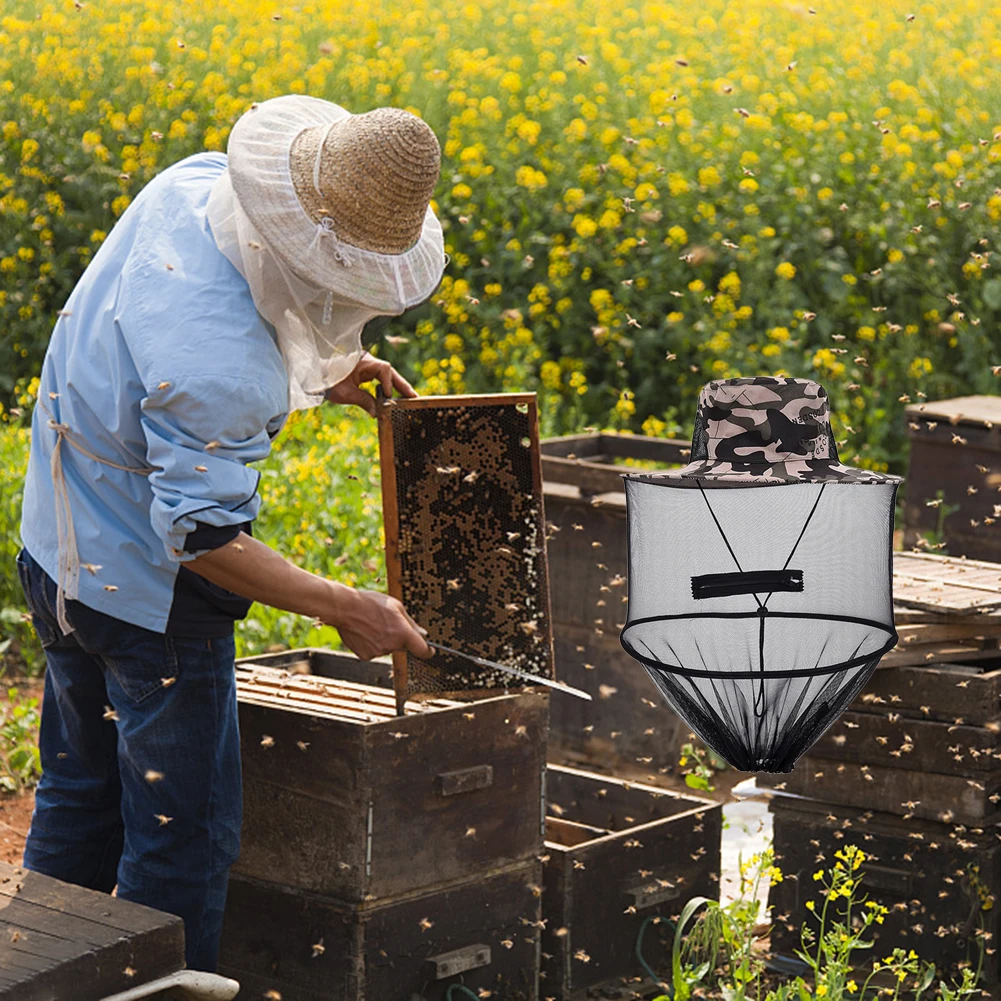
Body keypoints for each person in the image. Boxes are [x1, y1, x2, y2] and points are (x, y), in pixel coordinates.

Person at [15, 94, 442, 972]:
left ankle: (35, 977)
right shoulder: (223, 371)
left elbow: (170, 336)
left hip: (53, 542)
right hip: (144, 598)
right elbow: (204, 536)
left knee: (80, 791)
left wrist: (321, 370)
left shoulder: (193, 187)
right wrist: (344, 605)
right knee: (183, 838)